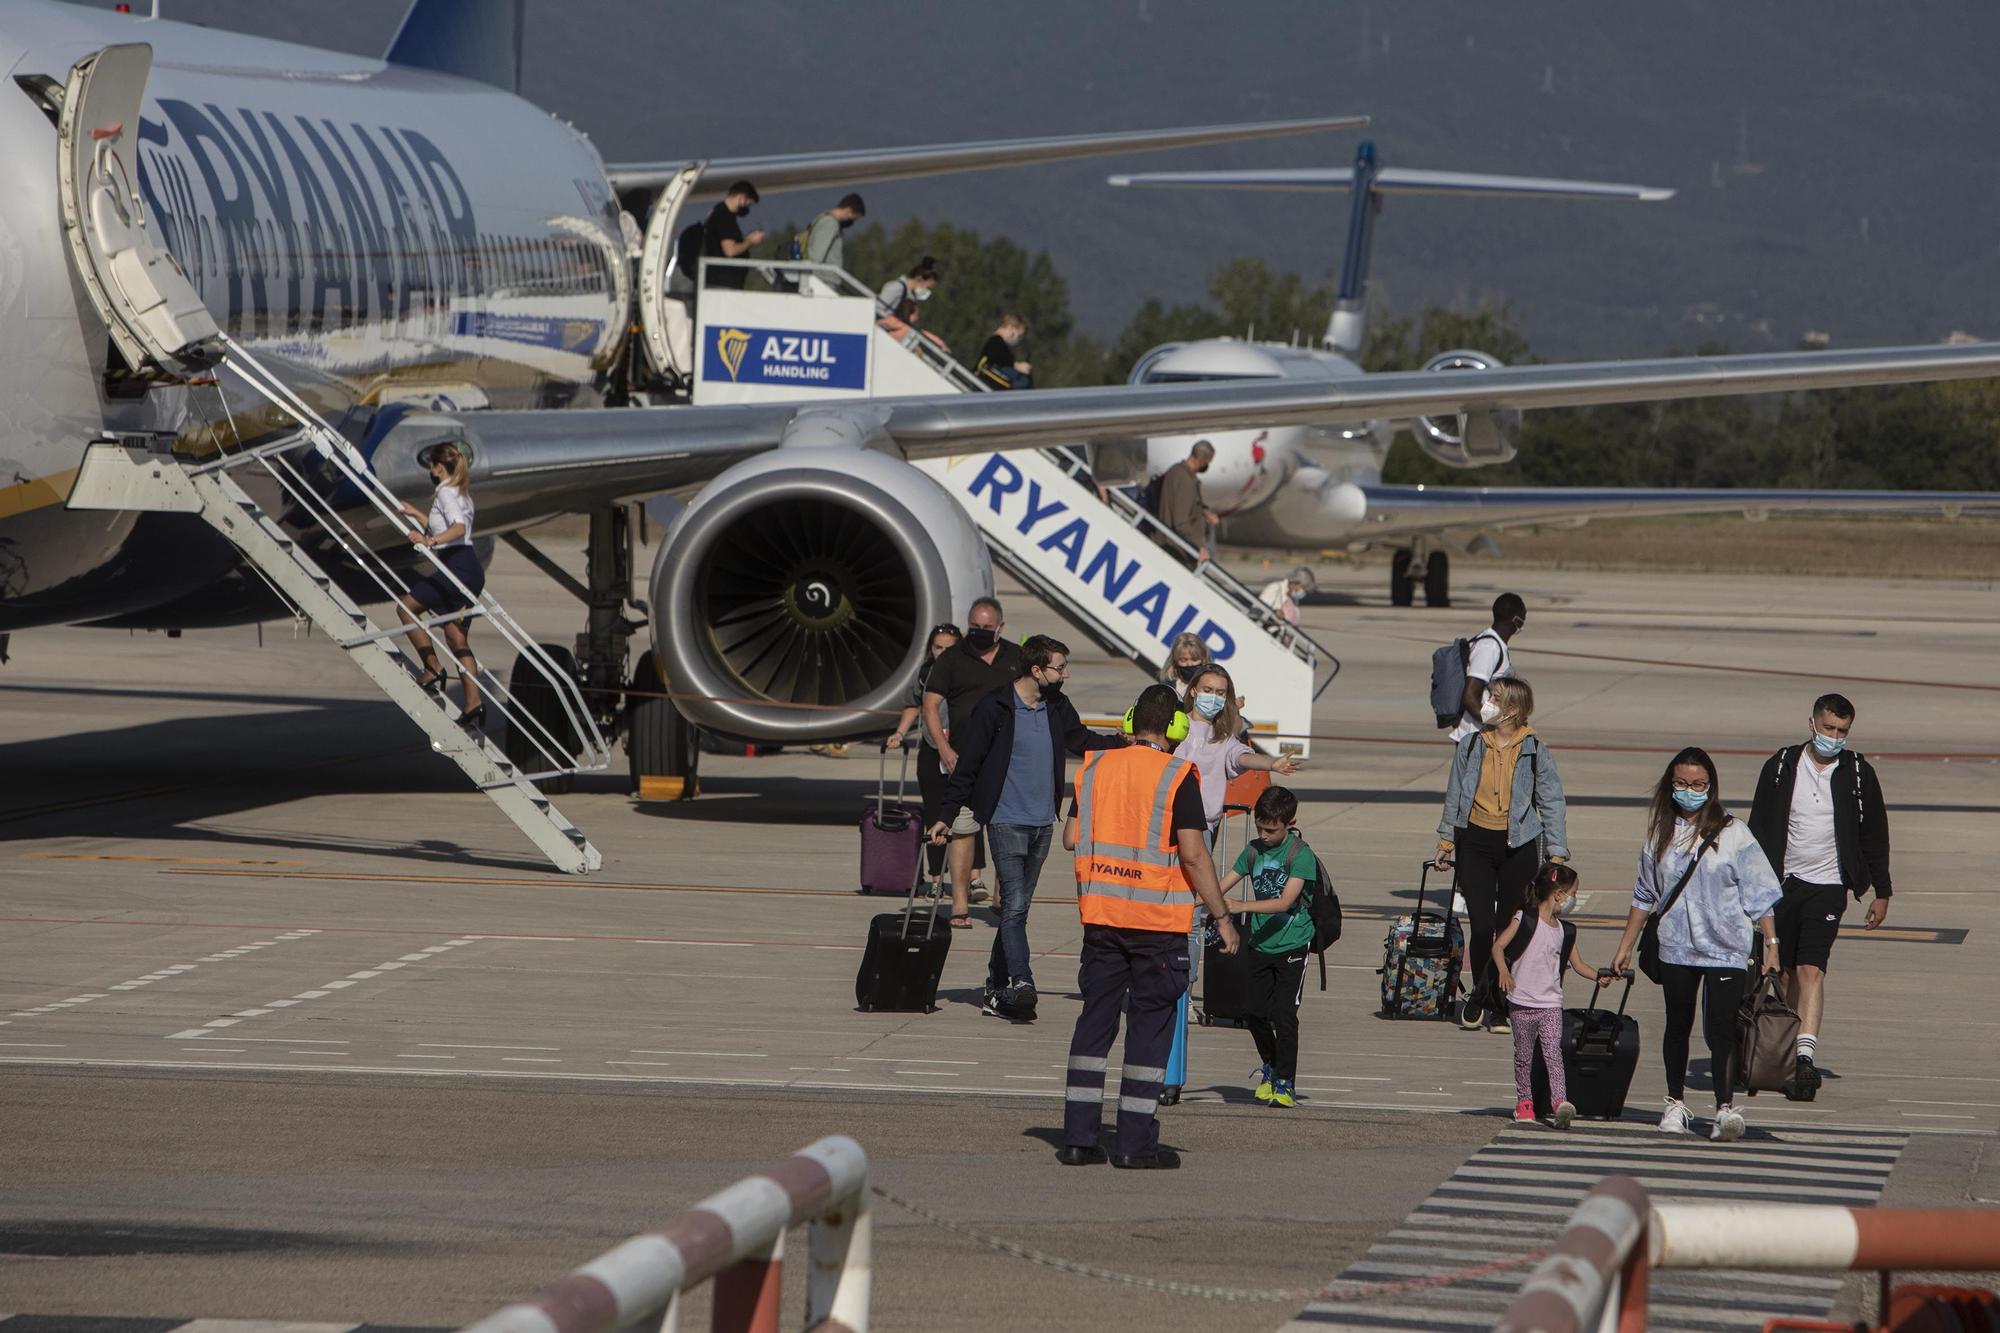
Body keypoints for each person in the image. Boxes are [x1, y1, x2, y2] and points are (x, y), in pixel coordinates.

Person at [1058, 685, 1239, 1169]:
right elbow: (1194, 854)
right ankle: (1134, 1145)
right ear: (1178, 728)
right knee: (1149, 1030)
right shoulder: (1178, 774)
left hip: (1101, 918)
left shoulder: (1094, 766)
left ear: (1131, 719)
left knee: (1094, 1025)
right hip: (1157, 924)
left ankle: (1078, 1138)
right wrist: (1222, 917)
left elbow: (1071, 838)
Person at [929, 636, 1121, 1018]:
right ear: (1037, 670)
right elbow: (969, 764)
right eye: (1060, 667)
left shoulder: (1055, 704)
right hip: (1005, 820)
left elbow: (1080, 739)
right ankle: (1021, 981)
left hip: (1041, 823)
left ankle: (995, 989)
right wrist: (945, 816)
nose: (1065, 673)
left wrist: (1124, 744)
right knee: (1014, 906)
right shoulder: (995, 707)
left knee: (1019, 909)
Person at [1611, 747, 1783, 1143]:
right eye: (1682, 783)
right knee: (1677, 1024)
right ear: (1671, 785)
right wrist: (1625, 944)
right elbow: (1644, 894)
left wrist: (1771, 944)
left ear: (1711, 786)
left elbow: (1760, 894)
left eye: (1698, 784)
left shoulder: (1734, 833)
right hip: (1677, 946)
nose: (1690, 790)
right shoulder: (1660, 832)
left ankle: (1724, 1110)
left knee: (1722, 1029)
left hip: (1726, 947)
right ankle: (1674, 1103)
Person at [1746, 692, 1892, 1100]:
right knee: (1786, 973)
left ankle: (1804, 1058)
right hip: (1782, 885)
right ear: (1812, 724)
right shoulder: (1780, 766)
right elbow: (1757, 829)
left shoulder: (1858, 773)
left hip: (1829, 885)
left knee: (1812, 969)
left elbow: (1874, 834)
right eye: (1829, 728)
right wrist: (1749, 887)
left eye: (1843, 731)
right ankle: (1787, 1047)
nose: (1835, 737)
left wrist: (1882, 890)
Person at [1434, 675, 1569, 1033]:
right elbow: (1453, 794)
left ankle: (1494, 1003)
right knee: (1481, 927)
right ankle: (1484, 996)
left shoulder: (1535, 749)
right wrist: (1446, 841)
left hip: (1519, 846)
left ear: (1512, 710)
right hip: (1475, 842)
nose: (1485, 703)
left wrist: (1556, 851)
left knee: (1507, 929)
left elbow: (1551, 801)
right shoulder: (1470, 744)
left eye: (1493, 698)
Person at [1217, 785, 1317, 1109]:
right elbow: (1222, 884)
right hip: (1260, 945)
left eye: (1271, 830)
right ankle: (1271, 1066)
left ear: (1289, 823)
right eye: (1260, 827)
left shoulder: (1300, 855)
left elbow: (1286, 902)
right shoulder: (1252, 851)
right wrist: (1194, 902)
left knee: (1284, 1015)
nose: (1264, 834)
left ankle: (1285, 1082)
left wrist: (1240, 907)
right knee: (1253, 1012)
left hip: (1292, 944)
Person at [921, 597, 1020, 917]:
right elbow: (930, 705)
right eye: (974, 627)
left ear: (1000, 628)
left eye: (986, 628)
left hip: (1007, 760)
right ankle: (960, 904)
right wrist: (944, 748)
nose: (979, 632)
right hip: (965, 761)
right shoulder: (952, 658)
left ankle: (1000, 899)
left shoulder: (1015, 658)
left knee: (1006, 831)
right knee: (962, 830)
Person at [1493, 861, 1608, 1128]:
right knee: (1523, 1055)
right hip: (1521, 1001)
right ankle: (1524, 1102)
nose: (1573, 900)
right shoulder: (1524, 919)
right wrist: (1504, 972)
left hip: (1550, 1002)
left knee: (1553, 1053)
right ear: (1558, 894)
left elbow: (1578, 965)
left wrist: (1599, 976)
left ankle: (1560, 1103)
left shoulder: (1565, 930)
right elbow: (1498, 946)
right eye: (1573, 894)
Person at [394, 442, 485, 728]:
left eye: (431, 466)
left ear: (438, 467)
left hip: (456, 565)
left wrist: (429, 541)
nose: (429, 472)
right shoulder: (460, 493)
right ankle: (474, 705)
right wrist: (417, 516)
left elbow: (456, 528)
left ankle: (432, 668)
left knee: (406, 608)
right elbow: (452, 527)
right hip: (468, 566)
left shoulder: (446, 492)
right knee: (457, 638)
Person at [1176, 665, 1302, 833]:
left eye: (1220, 693)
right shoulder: (1175, 724)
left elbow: (1241, 756)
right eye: (1207, 690)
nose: (1213, 697)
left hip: (1201, 825)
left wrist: (1271, 763)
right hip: (1168, 815)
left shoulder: (1223, 738)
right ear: (1193, 691)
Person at [886, 623, 962, 887]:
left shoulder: (968, 671)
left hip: (963, 748)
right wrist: (899, 733)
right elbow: (914, 704)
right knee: (934, 814)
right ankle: (937, 878)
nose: (942, 653)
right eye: (937, 647)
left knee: (971, 815)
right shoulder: (925, 672)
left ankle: (973, 877)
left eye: (948, 648)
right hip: (932, 746)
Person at [1450, 593, 1527, 743]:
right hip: (1475, 737)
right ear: (1515, 619)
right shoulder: (1489, 647)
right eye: (1523, 616)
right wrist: (1500, 722)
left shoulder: (1495, 644)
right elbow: (1470, 697)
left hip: (1485, 737)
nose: (1524, 621)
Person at [1153, 440, 1219, 565]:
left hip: (1173, 547)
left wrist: (1204, 512)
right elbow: (1181, 522)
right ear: (1202, 460)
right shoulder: (1185, 481)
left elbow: (1184, 505)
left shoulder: (1176, 471)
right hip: (1178, 552)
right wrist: (1199, 547)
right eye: (1207, 462)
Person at [700, 180, 764, 290]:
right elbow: (730, 250)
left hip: (718, 281)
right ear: (742, 198)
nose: (747, 208)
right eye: (749, 204)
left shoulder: (718, 212)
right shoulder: (725, 217)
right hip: (722, 283)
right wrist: (750, 241)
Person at [802, 192, 866, 281]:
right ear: (848, 210)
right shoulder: (830, 224)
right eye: (854, 218)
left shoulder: (822, 218)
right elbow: (816, 256)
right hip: (824, 280)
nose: (852, 222)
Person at [975, 313, 1033, 389]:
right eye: (1019, 336)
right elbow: (994, 356)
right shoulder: (996, 340)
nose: (1018, 340)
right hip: (984, 374)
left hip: (987, 375)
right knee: (1023, 382)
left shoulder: (998, 342)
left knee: (1022, 380)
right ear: (1010, 328)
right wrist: (1016, 366)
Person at [1160, 632, 1213, 700]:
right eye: (1183, 660)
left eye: (1194, 659)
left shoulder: (1213, 689)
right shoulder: (1166, 684)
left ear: (1203, 659)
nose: (1189, 664)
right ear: (1175, 660)